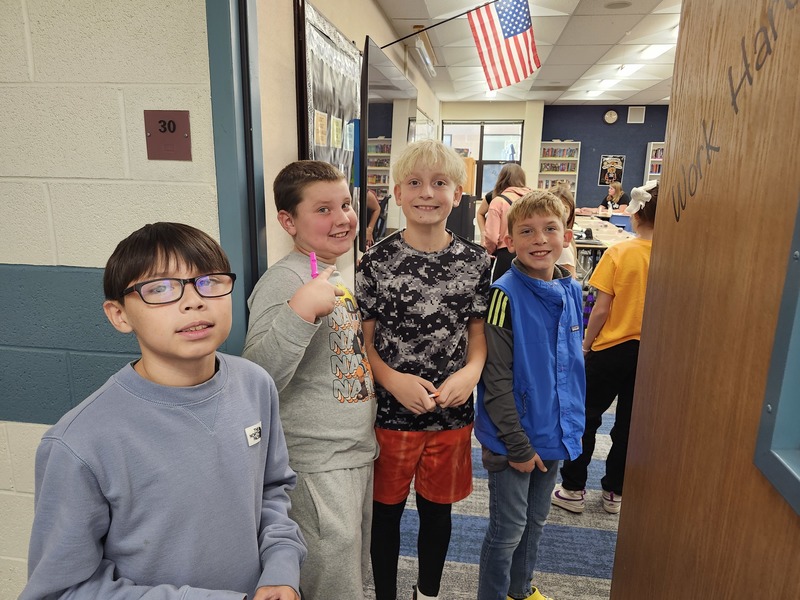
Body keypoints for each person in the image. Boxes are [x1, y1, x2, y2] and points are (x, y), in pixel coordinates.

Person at [21, 222, 306, 600]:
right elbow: (62, 591)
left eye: (209, 281)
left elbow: (272, 492)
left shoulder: (255, 384)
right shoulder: (78, 442)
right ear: (119, 315)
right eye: (160, 289)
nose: (194, 301)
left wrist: (281, 570)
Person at [356, 139, 491, 600]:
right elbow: (363, 339)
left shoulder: (477, 262)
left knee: (438, 513)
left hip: (451, 413)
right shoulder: (376, 261)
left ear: (458, 193)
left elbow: (477, 331)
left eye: (439, 183)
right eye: (414, 183)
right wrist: (390, 379)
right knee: (386, 514)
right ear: (397, 192)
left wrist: (472, 371)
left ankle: (428, 592)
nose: (427, 193)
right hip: (391, 415)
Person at [242, 161, 378, 600]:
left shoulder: (329, 269)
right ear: (288, 221)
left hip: (352, 454)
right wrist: (300, 311)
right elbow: (257, 377)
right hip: (317, 465)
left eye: (345, 204)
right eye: (323, 209)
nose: (341, 218)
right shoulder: (284, 280)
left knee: (352, 577)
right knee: (332, 586)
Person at [475, 190, 586, 600]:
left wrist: (570, 427)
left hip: (554, 432)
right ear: (509, 241)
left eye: (549, 229)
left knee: (536, 522)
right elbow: (497, 379)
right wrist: (517, 446)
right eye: (527, 231)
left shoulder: (571, 290)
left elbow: (571, 365)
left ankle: (519, 592)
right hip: (513, 438)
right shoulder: (504, 295)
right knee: (507, 531)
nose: (539, 239)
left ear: (567, 236)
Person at [552, 181, 659, 516]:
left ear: (636, 215)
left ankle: (572, 488)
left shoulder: (620, 252)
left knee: (585, 417)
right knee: (630, 424)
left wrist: (585, 345)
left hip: (612, 347)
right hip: (650, 353)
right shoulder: (675, 256)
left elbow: (600, 308)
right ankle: (616, 491)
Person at [482, 163, 530, 282]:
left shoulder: (498, 201)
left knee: (501, 294)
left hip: (507, 255)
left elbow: (492, 237)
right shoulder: (533, 199)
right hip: (531, 253)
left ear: (501, 179)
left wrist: (487, 252)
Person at [551, 183, 577, 277]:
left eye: (564, 209)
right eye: (553, 208)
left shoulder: (563, 246)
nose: (559, 214)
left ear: (571, 212)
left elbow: (569, 282)